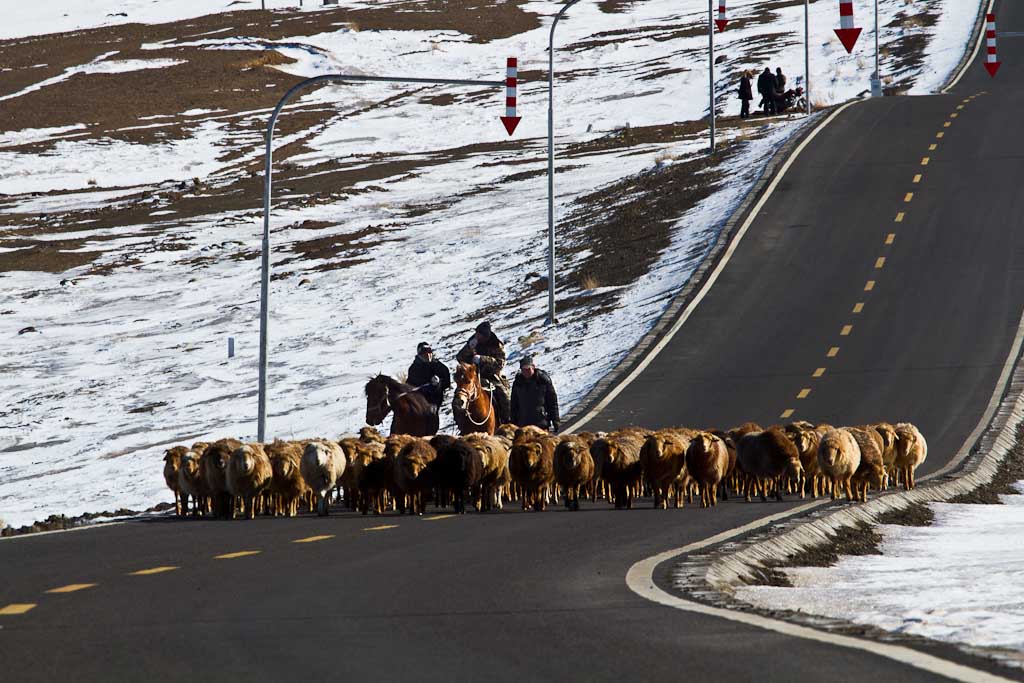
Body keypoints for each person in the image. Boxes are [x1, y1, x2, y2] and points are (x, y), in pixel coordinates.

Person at [456, 321, 511, 425]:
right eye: (476, 333)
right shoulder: (472, 342)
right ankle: (460, 423)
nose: (477, 336)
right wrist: (469, 348)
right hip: (473, 376)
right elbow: (459, 358)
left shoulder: (496, 344)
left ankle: (507, 420)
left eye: (479, 334)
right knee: (460, 395)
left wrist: (483, 359)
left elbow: (500, 363)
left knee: (504, 395)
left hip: (491, 376)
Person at [510, 356, 560, 433]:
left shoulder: (543, 380)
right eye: (523, 370)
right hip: (524, 426)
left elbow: (552, 402)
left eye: (528, 369)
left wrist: (555, 420)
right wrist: (513, 423)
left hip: (541, 424)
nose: (526, 372)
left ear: (533, 367)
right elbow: (514, 404)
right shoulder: (518, 383)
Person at [407, 341, 450, 412]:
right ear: (420, 354)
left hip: (435, 402)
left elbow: (447, 382)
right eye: (424, 352)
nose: (428, 354)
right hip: (419, 404)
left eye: (430, 351)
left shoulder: (439, 366)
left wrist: (439, 383)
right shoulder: (414, 369)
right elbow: (412, 386)